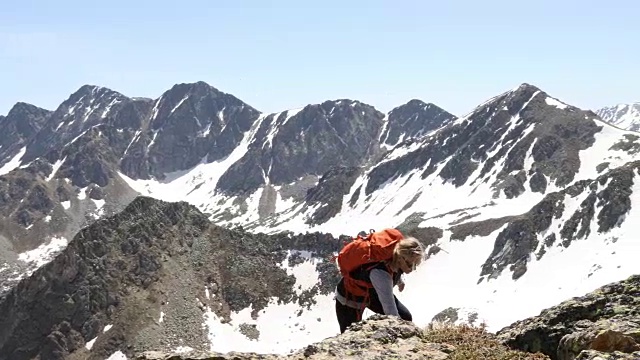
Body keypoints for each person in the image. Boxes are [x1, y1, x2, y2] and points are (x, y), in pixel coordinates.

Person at [333, 235, 424, 333]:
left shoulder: (395, 255)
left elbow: (394, 270)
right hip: (350, 298)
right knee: (349, 334)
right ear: (400, 258)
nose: (412, 269)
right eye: (410, 264)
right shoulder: (381, 274)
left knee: (405, 317)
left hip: (373, 293)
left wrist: (399, 281)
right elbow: (390, 309)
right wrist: (402, 333)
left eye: (416, 264)